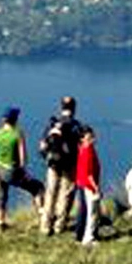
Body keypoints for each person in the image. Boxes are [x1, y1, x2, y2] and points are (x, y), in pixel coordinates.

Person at [0, 106, 44, 231]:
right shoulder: (17, 134)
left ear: (3, 120)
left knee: (1, 196)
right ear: (15, 119)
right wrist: (24, 173)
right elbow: (23, 157)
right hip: (10, 171)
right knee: (37, 187)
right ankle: (43, 218)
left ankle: (0, 223)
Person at [39, 96, 83, 235]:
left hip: (53, 164)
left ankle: (45, 226)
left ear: (61, 107)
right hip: (69, 165)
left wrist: (47, 158)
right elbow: (81, 146)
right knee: (66, 194)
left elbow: (42, 146)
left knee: (50, 193)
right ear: (74, 108)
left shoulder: (52, 124)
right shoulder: (76, 126)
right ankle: (59, 226)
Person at [74, 126, 102, 245]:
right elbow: (89, 173)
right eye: (89, 136)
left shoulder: (85, 149)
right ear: (83, 138)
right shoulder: (87, 151)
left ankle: (89, 236)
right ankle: (88, 238)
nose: (93, 138)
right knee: (92, 213)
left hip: (84, 183)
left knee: (92, 212)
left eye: (92, 135)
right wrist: (96, 188)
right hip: (88, 185)